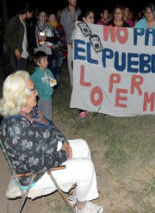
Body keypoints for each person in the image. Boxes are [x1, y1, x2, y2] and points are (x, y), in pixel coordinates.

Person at [0, 71, 103, 213]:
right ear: (21, 97)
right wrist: (64, 154)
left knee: (82, 145)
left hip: (46, 150)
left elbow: (50, 126)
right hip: (35, 176)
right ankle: (81, 207)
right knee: (86, 167)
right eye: (33, 90)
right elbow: (37, 165)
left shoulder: (30, 110)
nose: (37, 92)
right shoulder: (15, 127)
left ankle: (75, 194)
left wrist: (64, 142)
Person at [4, 4, 33, 75]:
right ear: (26, 12)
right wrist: (15, 49)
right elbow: (7, 36)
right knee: (17, 75)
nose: (31, 15)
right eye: (31, 13)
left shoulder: (25, 23)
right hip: (17, 53)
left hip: (24, 53)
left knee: (22, 75)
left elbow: (25, 40)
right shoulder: (14, 20)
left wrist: (28, 52)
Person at [60, 0, 81, 86]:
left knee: (79, 63)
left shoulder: (79, 11)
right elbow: (61, 28)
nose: (74, 1)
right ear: (69, 0)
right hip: (69, 43)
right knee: (71, 64)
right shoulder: (64, 12)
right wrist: (68, 40)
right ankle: (73, 85)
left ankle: (79, 82)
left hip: (79, 42)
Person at [30, 51, 56, 120]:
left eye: (46, 60)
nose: (46, 62)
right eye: (44, 60)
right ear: (38, 63)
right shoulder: (36, 74)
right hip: (41, 97)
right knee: (43, 113)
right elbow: (30, 81)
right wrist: (34, 90)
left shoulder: (48, 71)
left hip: (49, 95)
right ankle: (44, 126)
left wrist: (52, 82)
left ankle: (46, 124)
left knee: (48, 112)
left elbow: (53, 80)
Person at [34, 10, 58, 75]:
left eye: (44, 16)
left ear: (46, 17)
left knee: (49, 71)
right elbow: (31, 40)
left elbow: (55, 39)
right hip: (38, 52)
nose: (43, 17)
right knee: (40, 71)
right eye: (41, 15)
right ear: (38, 17)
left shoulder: (49, 26)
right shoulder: (34, 26)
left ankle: (50, 84)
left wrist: (46, 38)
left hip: (48, 52)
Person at [48, 11, 66, 83]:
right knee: (53, 66)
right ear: (48, 18)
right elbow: (42, 40)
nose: (52, 18)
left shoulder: (59, 26)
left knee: (59, 65)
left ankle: (56, 82)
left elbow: (63, 38)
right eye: (51, 17)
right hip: (50, 50)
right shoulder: (46, 27)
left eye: (54, 17)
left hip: (59, 49)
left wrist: (65, 52)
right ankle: (52, 82)